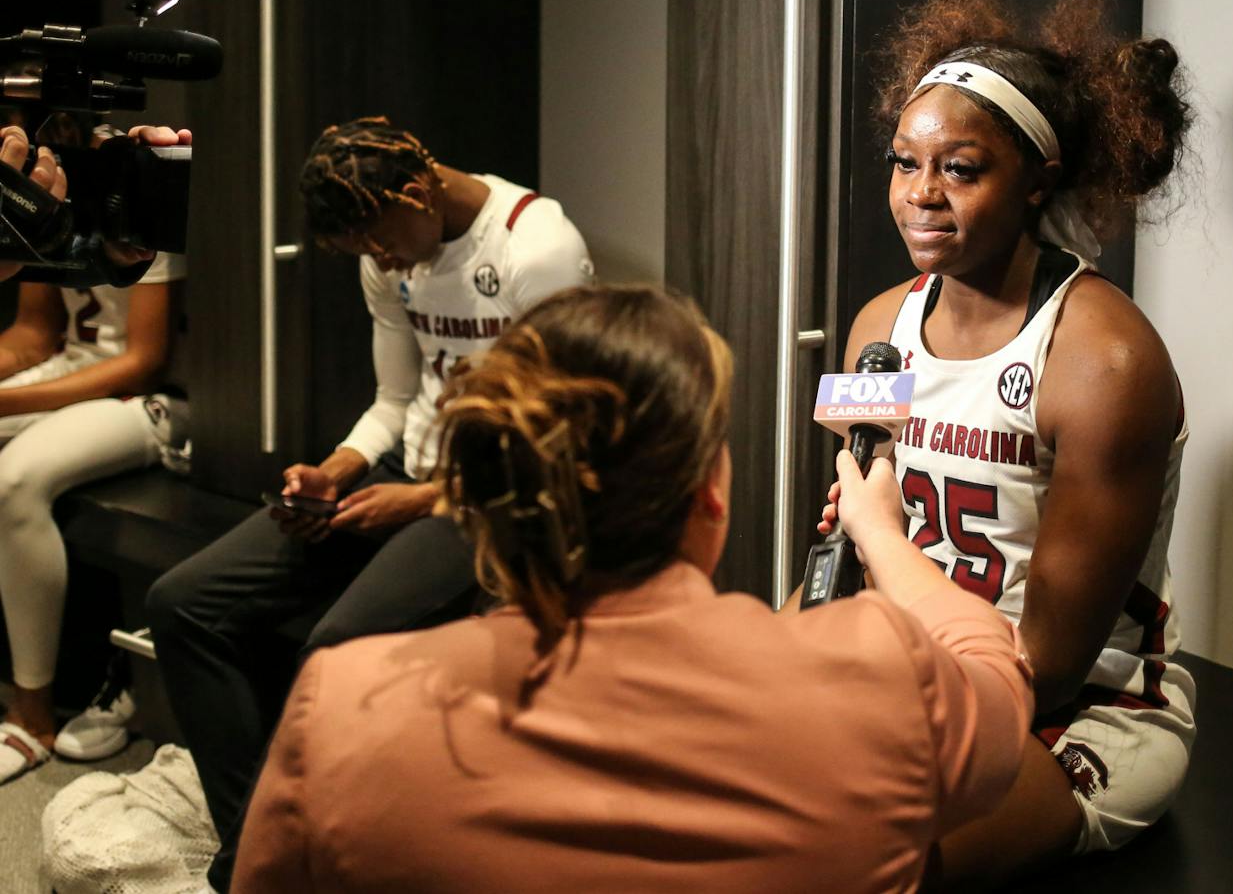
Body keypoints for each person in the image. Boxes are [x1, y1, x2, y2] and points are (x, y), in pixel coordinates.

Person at [233, 284, 1035, 892]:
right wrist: (885, 537)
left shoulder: (341, 702)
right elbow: (995, 678)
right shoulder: (880, 676)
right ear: (709, 497)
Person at [145, 115, 594, 891]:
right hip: (404, 466)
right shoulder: (388, 258)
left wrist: (420, 502)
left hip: (495, 495)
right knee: (184, 602)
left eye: (383, 241)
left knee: (334, 646)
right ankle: (263, 838)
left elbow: (557, 441)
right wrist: (336, 468)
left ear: (418, 191)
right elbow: (394, 399)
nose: (381, 263)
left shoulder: (537, 248)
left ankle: (257, 870)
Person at [837, 0, 1197, 882]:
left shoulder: (1104, 360)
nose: (921, 194)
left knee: (857, 858)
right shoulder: (877, 327)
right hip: (906, 671)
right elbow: (847, 538)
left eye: (959, 168)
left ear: (1037, 180)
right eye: (903, 163)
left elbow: (1052, 663)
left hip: (1073, 711)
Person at [0, 120, 189, 785]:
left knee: (13, 478)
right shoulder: (37, 199)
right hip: (69, 373)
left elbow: (140, 362)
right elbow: (33, 334)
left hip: (144, 400)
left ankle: (32, 712)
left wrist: (7, 404)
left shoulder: (142, 195)